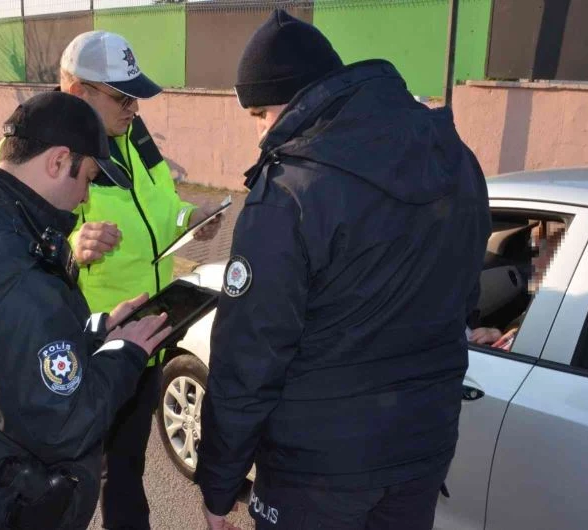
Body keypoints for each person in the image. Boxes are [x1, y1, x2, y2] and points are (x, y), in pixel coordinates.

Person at [195, 10, 490, 530]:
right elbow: (464, 292)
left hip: (317, 472)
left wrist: (220, 483)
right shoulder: (455, 157)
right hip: (422, 446)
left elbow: (249, 358)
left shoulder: (289, 192)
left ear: (294, 98)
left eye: (260, 113)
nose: (262, 131)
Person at [0, 91, 173, 530]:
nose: (85, 197)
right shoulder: (13, 271)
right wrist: (125, 355)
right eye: (86, 178)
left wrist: (95, 329)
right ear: (57, 161)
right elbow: (66, 426)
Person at [0, 31, 222, 529]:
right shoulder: (29, 150)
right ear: (77, 93)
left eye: (136, 95)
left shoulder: (133, 138)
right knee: (72, 481)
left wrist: (189, 218)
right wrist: (70, 248)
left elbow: (159, 209)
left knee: (126, 468)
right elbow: (3, 257)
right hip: (85, 348)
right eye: (122, 96)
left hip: (146, 333)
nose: (134, 108)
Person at [471, 225, 566, 350]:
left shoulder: (556, 317)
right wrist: (498, 335)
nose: (534, 262)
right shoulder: (554, 307)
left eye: (539, 252)